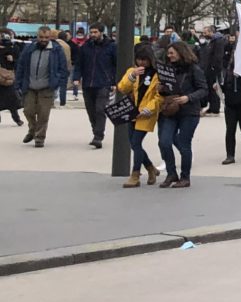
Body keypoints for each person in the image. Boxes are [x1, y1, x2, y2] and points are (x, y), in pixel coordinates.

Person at [154, 40, 208, 188]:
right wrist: (162, 88)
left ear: (181, 52)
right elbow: (168, 89)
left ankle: (185, 177)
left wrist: (188, 98)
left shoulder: (194, 69)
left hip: (189, 111)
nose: (169, 56)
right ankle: (171, 173)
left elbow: (203, 89)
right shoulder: (168, 69)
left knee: (184, 144)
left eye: (172, 53)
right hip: (171, 109)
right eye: (168, 53)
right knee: (164, 141)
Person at [117, 45, 163, 187]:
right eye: (139, 59)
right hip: (132, 112)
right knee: (133, 144)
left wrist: (150, 109)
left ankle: (135, 174)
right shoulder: (132, 71)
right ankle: (150, 168)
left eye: (145, 60)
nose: (141, 63)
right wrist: (132, 76)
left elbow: (160, 96)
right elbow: (122, 88)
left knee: (136, 142)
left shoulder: (157, 74)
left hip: (147, 113)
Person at [18, 26, 70, 147]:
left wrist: (59, 83)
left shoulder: (56, 50)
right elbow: (21, 65)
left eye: (46, 37)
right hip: (29, 86)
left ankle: (39, 138)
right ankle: (32, 129)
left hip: (47, 86)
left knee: (43, 113)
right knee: (28, 111)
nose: (44, 40)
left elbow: (63, 68)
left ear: (50, 37)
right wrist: (18, 82)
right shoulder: (29, 48)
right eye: (41, 37)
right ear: (37, 36)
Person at [74, 25, 118, 148]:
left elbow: (116, 65)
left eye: (95, 32)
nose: (93, 34)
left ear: (101, 32)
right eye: (91, 32)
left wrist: (114, 81)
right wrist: (76, 77)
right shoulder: (85, 47)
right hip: (88, 83)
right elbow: (79, 64)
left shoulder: (111, 47)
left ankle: (98, 136)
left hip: (104, 83)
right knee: (91, 110)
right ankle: (95, 131)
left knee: (100, 109)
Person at [199, 26, 228, 114]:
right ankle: (212, 106)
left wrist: (214, 67)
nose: (204, 35)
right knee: (210, 88)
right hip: (209, 68)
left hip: (213, 69)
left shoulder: (218, 41)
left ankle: (215, 108)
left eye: (205, 33)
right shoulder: (212, 41)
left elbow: (218, 56)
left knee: (214, 88)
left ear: (211, 32)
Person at [0, 31, 22, 126]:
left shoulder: (13, 48)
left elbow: (18, 61)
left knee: (12, 99)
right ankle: (16, 119)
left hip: (8, 77)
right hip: (5, 76)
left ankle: (17, 118)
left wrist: (12, 59)